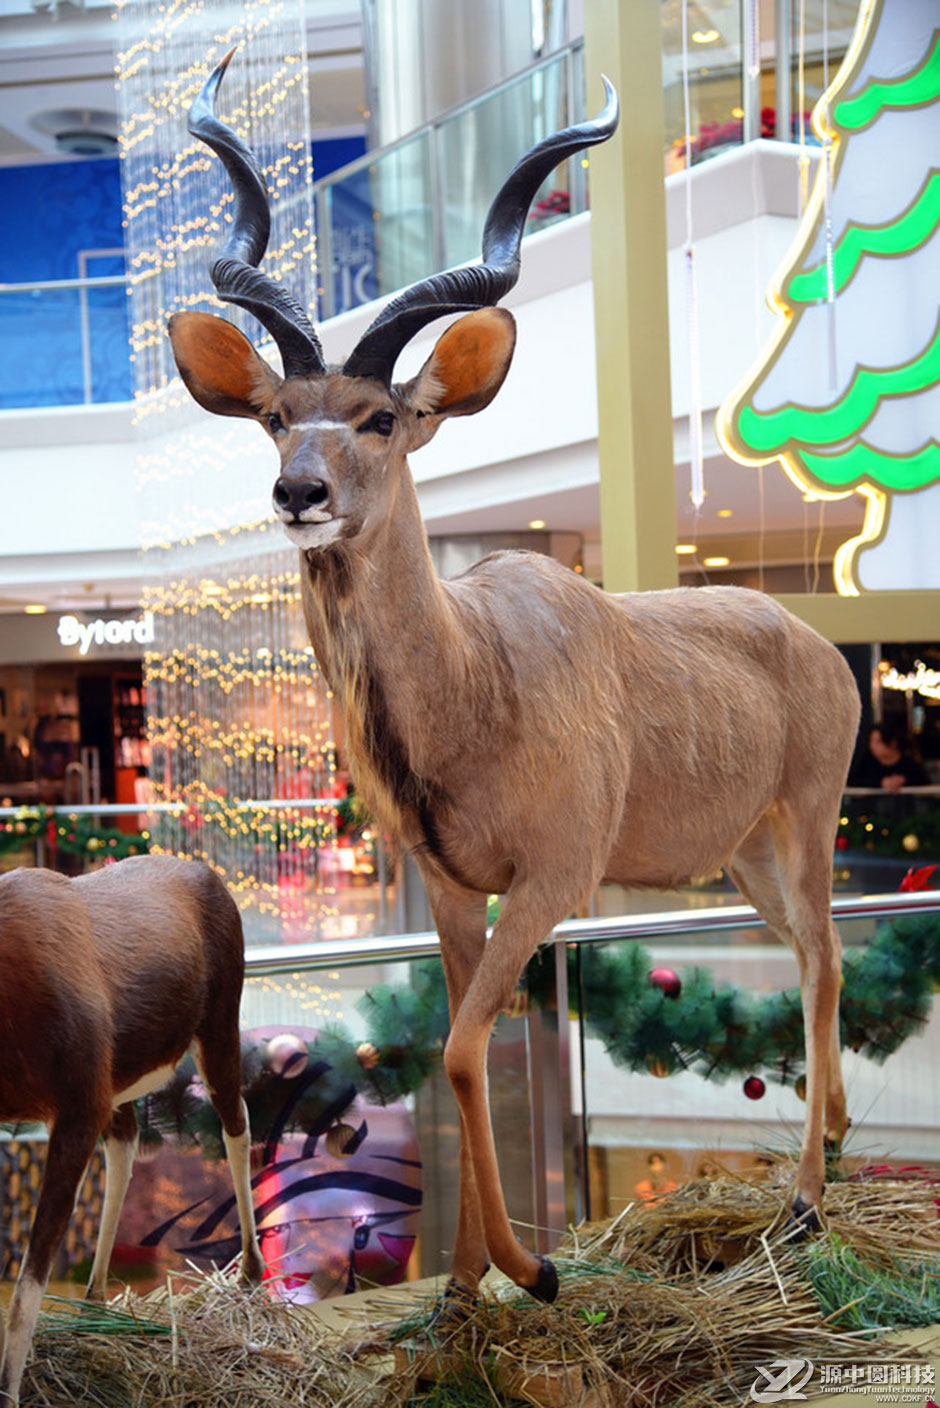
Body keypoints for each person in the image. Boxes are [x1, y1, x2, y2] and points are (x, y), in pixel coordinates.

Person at [852, 720, 929, 792]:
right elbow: (854, 782)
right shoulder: (867, 761)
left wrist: (903, 780)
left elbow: (925, 785)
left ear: (892, 743)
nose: (873, 746)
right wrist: (881, 782)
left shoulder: (909, 764)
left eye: (878, 742)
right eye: (871, 742)